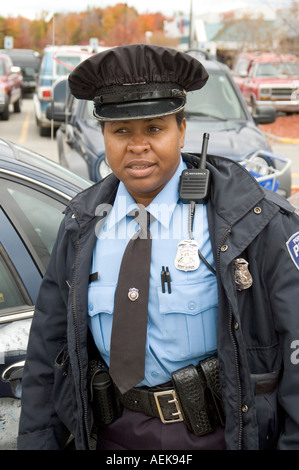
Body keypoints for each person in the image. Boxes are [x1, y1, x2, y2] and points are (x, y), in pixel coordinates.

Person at [18, 44, 299, 451]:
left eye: (154, 129)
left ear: (182, 130)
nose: (138, 146)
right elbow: (47, 350)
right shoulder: (81, 225)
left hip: (219, 436)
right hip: (112, 437)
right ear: (103, 135)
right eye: (121, 132)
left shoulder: (252, 223)